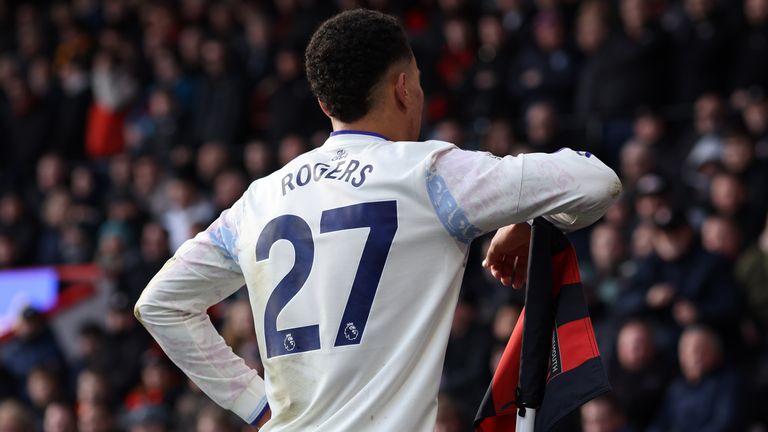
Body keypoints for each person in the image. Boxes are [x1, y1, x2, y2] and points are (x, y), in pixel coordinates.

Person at [134, 9, 621, 431]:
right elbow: (597, 180)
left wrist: (256, 405)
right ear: (404, 88)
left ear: (325, 105)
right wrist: (528, 218)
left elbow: (160, 304)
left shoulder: (259, 200)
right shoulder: (430, 176)